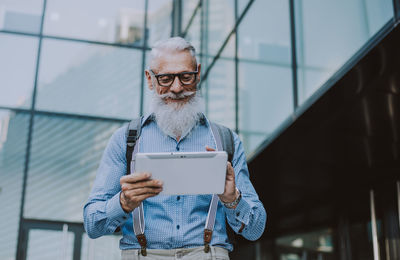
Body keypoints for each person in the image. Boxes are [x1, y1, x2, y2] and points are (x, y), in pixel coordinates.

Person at [83, 37, 266, 260]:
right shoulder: (125, 140)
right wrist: (123, 202)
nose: (177, 88)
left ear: (197, 74)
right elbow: (92, 224)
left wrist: (232, 199)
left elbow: (255, 230)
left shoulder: (226, 139)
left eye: (185, 77)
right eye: (166, 79)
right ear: (150, 79)